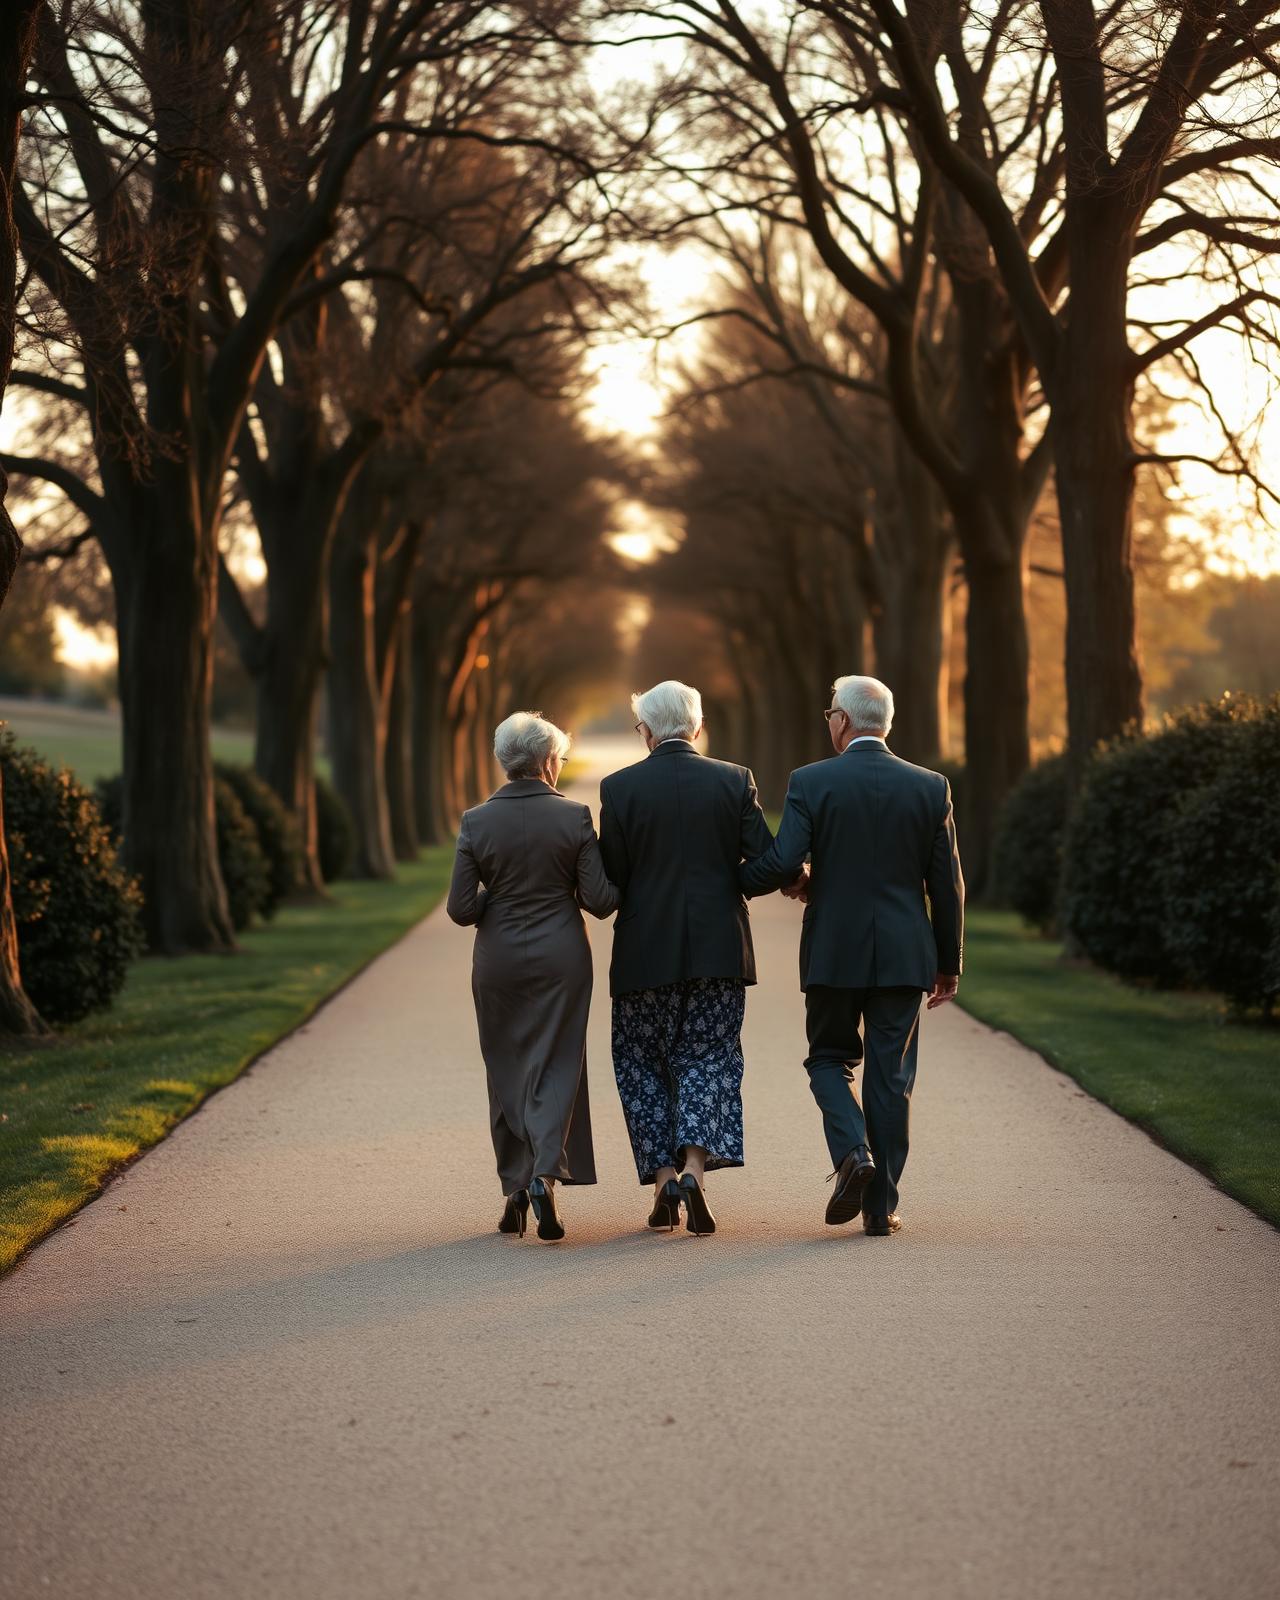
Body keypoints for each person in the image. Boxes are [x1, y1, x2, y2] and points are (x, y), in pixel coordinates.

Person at [741, 675, 964, 1237]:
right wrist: (948, 962)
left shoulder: (812, 781)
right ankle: (880, 1208)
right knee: (891, 1080)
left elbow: (784, 858)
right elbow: (947, 885)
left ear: (842, 721)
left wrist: (734, 882)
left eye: (829, 714)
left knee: (827, 1060)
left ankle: (852, 1153)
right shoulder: (929, 786)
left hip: (834, 950)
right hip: (904, 953)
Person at [599, 680, 774, 1236]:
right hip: (718, 948)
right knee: (710, 1056)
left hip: (644, 952)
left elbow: (612, 880)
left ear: (646, 731)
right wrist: (732, 886)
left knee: (641, 1063)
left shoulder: (619, 788)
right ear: (696, 727)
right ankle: (696, 1168)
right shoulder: (733, 779)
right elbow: (768, 861)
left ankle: (662, 1180)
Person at [447, 711, 618, 1243]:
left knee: (505, 1066)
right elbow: (599, 900)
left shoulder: (476, 821)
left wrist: (497, 897)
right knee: (558, 1062)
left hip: (497, 957)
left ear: (506, 761)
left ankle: (515, 1188)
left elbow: (459, 908)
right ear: (547, 761)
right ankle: (546, 1174)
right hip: (561, 956)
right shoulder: (573, 817)